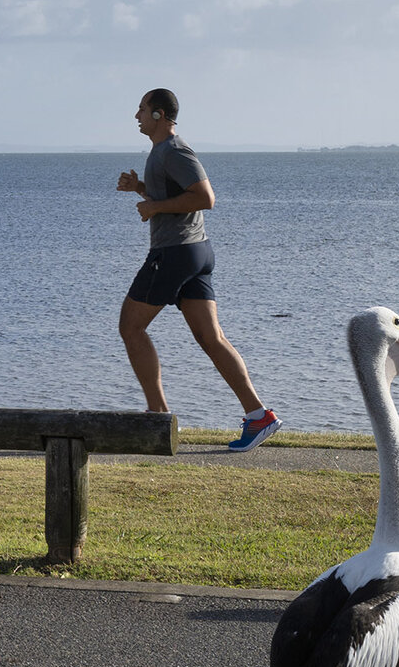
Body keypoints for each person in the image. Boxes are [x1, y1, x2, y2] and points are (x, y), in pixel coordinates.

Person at [116, 88, 282, 452]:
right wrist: (141, 189)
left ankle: (158, 415)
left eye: (142, 109)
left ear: (159, 115)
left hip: (175, 253)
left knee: (130, 326)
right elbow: (174, 195)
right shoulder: (161, 153)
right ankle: (258, 416)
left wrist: (155, 209)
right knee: (211, 338)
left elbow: (205, 198)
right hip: (195, 253)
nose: (136, 115)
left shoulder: (174, 150)